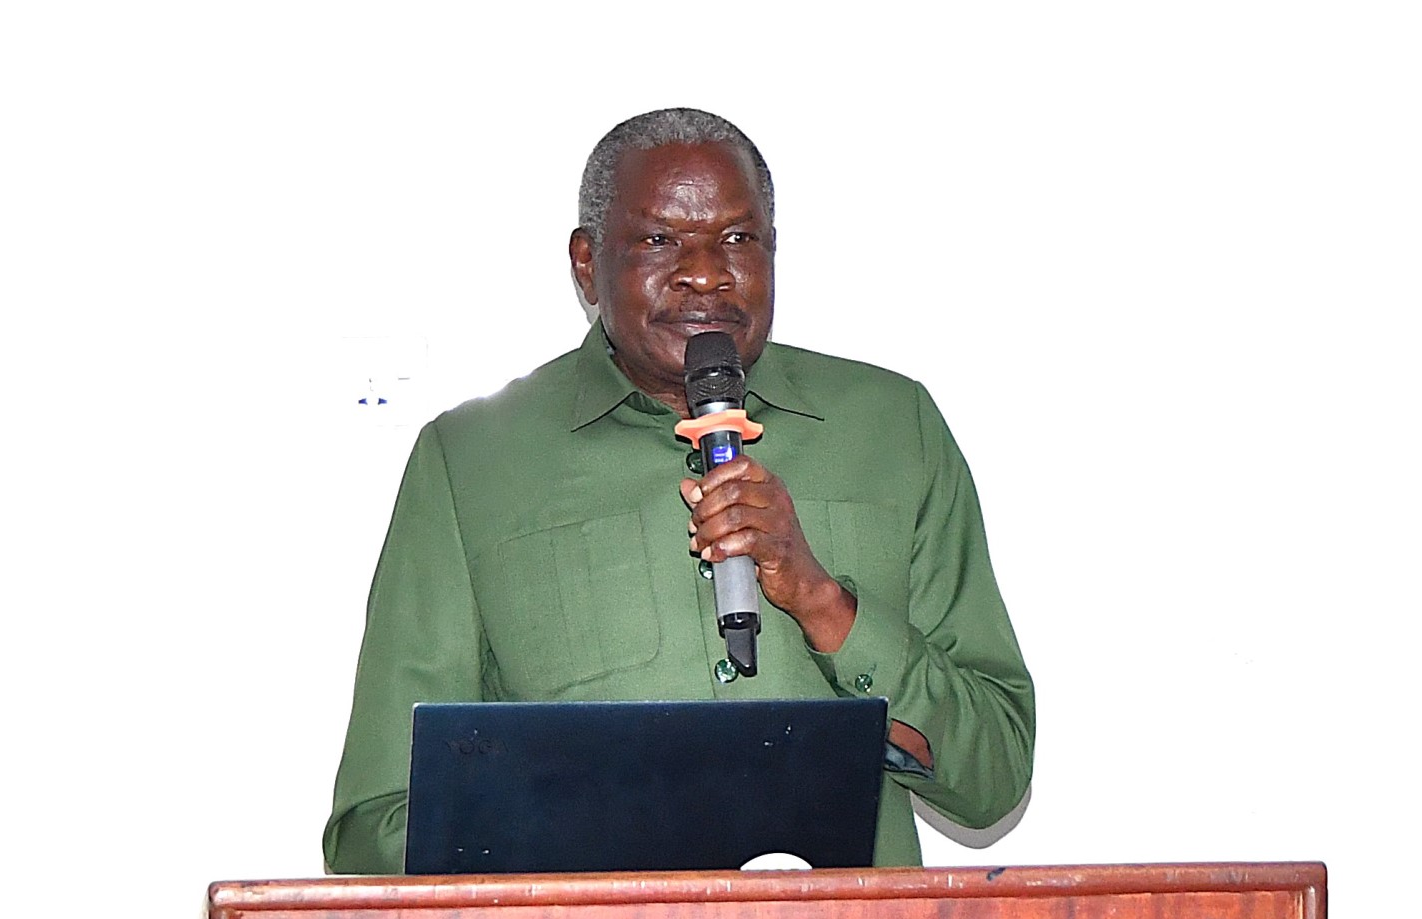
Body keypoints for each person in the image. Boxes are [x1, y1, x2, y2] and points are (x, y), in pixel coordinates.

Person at [324, 107, 1034, 873]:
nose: (706, 271)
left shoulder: (895, 430)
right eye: (660, 240)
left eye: (737, 238)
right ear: (586, 263)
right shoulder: (471, 464)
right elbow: (378, 827)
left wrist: (822, 601)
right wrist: (591, 864)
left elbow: (993, 775)